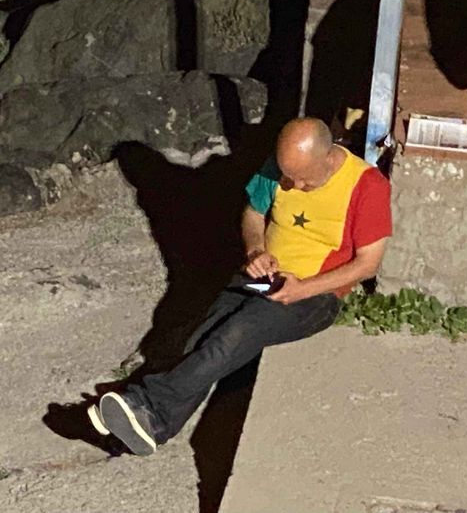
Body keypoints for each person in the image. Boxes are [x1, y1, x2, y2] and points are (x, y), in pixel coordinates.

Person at [87, 117, 392, 456]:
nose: (293, 185)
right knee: (201, 335)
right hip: (262, 279)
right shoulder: (283, 166)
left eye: (304, 179)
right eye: (288, 176)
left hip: (315, 296)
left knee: (234, 334)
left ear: (329, 156)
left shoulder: (367, 186)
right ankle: (149, 426)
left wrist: (303, 289)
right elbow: (253, 213)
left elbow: (368, 264)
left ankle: (148, 403)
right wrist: (256, 250)